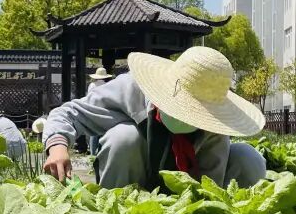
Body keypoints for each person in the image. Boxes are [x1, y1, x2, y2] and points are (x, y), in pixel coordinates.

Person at [42, 46, 267, 189]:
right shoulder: (131, 91)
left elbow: (209, 187)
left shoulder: (215, 127)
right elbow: (67, 113)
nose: (187, 117)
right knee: (123, 138)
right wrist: (58, 147)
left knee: (248, 158)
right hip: (133, 183)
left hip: (187, 190)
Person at [86, 66, 113, 155]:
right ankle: (101, 152)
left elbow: (88, 97)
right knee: (103, 133)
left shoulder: (92, 85)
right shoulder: (108, 85)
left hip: (93, 109)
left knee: (93, 133)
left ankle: (92, 153)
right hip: (104, 110)